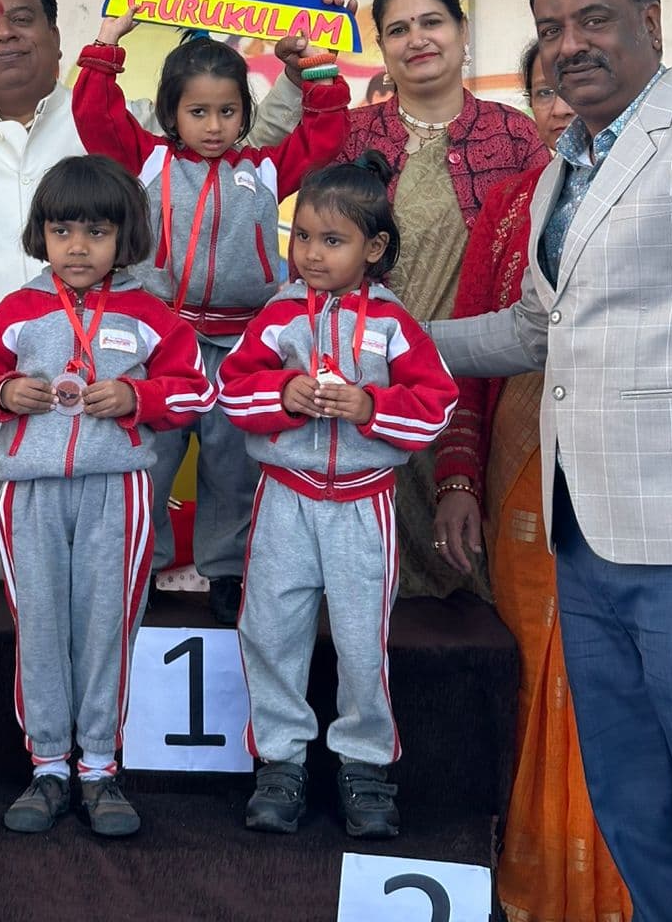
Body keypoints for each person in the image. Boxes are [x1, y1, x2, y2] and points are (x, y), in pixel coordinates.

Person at [432, 0, 672, 922]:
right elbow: (532, 328)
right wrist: (382, 340)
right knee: (633, 797)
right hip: (584, 539)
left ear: (650, 18)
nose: (570, 44)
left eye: (593, 18)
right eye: (551, 28)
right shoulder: (570, 163)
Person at [0, 0, 323, 583]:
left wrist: (303, 38)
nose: (4, 35)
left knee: (109, 593)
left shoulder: (136, 124)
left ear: (58, 35)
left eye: (21, 18)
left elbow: (256, 139)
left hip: (106, 426)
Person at [0, 155, 210, 836]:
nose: (78, 247)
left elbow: (194, 391)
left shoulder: (150, 314)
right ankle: (48, 767)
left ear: (125, 238)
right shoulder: (19, 310)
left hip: (117, 492)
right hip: (30, 494)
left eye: (96, 232)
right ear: (42, 234)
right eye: (63, 230)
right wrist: (4, 391)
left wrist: (137, 396)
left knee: (105, 629)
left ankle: (99, 766)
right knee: (40, 628)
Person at [71, 8, 349, 624]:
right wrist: (106, 45)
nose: (215, 126)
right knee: (147, 457)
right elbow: (95, 113)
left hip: (239, 342)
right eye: (199, 112)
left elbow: (325, 136)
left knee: (232, 463)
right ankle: (139, 567)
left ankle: (227, 571)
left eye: (228, 112)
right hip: (159, 345)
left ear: (244, 114)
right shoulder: (146, 161)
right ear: (170, 113)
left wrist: (317, 71)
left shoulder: (265, 169)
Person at [435, 42, 629, 922]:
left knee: (620, 685)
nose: (557, 108)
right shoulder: (519, 204)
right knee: (530, 679)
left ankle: (627, 891)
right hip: (521, 470)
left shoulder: (669, 187)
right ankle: (535, 886)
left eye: (569, 89)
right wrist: (455, 477)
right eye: (541, 92)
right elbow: (488, 344)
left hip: (636, 480)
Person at [220, 154, 458, 838]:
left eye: (333, 241)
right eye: (302, 238)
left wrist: (369, 407)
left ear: (373, 249)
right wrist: (282, 394)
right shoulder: (275, 316)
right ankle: (281, 762)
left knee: (361, 641)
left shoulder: (393, 324)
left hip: (363, 503)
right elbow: (233, 392)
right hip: (285, 498)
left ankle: (365, 765)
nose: (313, 255)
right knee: (269, 630)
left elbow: (434, 405)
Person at [291, 0, 548, 596]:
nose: (417, 39)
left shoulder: (516, 135)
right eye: (397, 29)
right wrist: (306, 65)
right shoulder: (350, 135)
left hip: (480, 386)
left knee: (473, 583)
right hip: (362, 391)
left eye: (431, 22)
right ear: (381, 47)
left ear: (462, 33)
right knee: (366, 582)